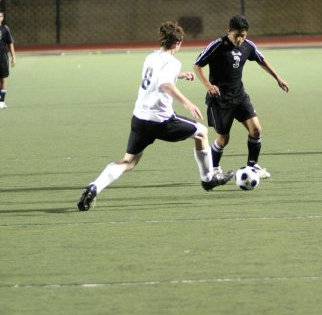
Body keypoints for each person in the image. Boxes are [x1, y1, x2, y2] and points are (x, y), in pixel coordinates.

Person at [77, 22, 234, 211]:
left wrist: (180, 75)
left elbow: (156, 79)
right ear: (177, 42)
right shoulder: (172, 62)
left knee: (128, 162)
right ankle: (208, 179)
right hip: (161, 121)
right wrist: (187, 103)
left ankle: (95, 186)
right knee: (201, 132)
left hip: (139, 118)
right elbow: (164, 84)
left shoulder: (151, 57)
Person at [193, 14, 289, 179]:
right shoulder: (217, 45)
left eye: (243, 36)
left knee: (256, 130)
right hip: (220, 100)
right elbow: (197, 65)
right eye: (236, 35)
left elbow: (261, 60)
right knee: (223, 138)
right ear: (228, 31)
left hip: (239, 97)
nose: (239, 39)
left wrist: (278, 78)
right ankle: (214, 168)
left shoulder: (248, 46)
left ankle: (252, 167)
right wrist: (208, 85)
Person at [0, 10, 16, 109]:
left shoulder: (5, 29)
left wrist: (13, 57)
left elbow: (10, 43)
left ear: (2, 18)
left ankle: (1, 102)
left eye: (0, 16)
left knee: (3, 79)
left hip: (2, 57)